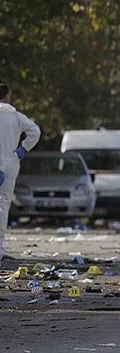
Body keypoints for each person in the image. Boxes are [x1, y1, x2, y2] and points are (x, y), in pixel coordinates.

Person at [0, 83, 41, 265]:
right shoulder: (15, 116)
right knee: (3, 204)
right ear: (7, 96)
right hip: (10, 161)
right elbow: (35, 131)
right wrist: (23, 148)